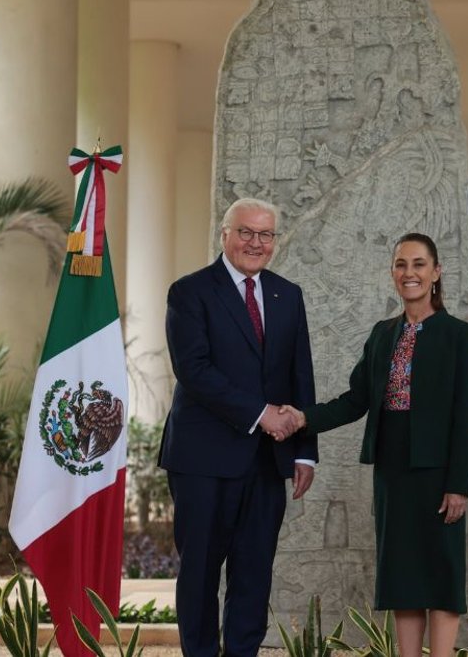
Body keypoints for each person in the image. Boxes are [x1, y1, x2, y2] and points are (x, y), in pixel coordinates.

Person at [281, 232, 468, 657]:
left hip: (439, 473)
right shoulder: (382, 334)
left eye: (419, 264)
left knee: (442, 576)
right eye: (401, 264)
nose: (410, 273)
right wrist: (302, 417)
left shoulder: (459, 335)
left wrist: (458, 483)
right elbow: (356, 400)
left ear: (436, 272)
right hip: (392, 471)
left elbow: (465, 416)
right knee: (403, 577)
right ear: (392, 273)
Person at [158, 198, 317, 657]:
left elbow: (299, 374)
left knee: (254, 574)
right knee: (201, 573)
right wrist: (261, 413)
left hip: (267, 464)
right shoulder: (189, 292)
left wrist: (305, 451)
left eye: (265, 235)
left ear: (275, 242)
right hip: (202, 460)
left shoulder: (288, 294)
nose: (255, 243)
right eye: (245, 232)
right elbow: (194, 370)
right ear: (224, 234)